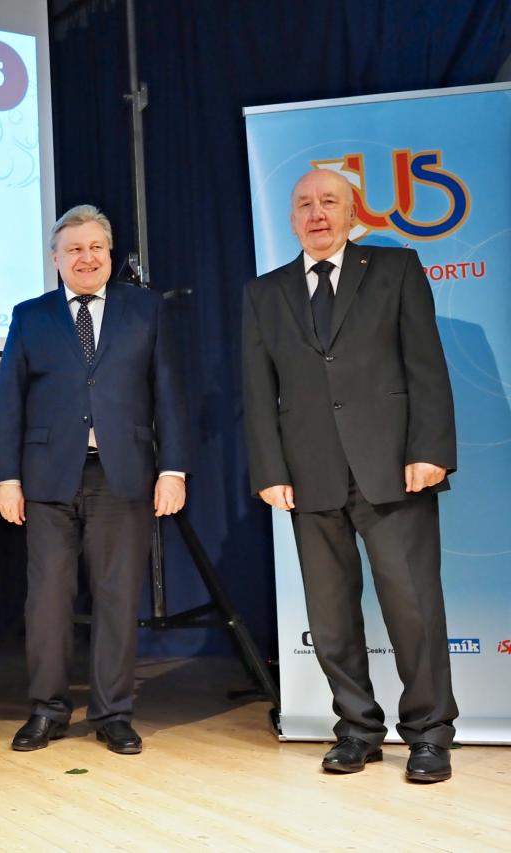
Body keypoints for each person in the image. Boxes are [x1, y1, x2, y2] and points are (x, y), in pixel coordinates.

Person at [241, 169, 458, 783]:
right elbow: (257, 390)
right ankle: (358, 730)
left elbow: (426, 366)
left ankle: (429, 734)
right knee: (330, 616)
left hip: (393, 470)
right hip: (309, 475)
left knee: (413, 608)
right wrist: (269, 469)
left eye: (328, 202)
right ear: (292, 219)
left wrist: (429, 449)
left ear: (351, 211)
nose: (316, 213)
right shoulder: (264, 293)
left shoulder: (395, 270)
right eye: (304, 204)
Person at [0, 204, 189, 755]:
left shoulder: (145, 309)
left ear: (109, 254)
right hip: (47, 479)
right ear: (55, 259)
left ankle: (113, 713)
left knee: (117, 598)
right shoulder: (30, 316)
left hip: (122, 475)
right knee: (48, 601)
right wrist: (6, 479)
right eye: (74, 249)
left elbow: (168, 394)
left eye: (96, 247)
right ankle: (47, 709)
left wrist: (172, 470)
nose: (86, 257)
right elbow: (8, 402)